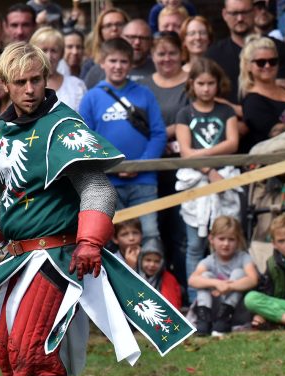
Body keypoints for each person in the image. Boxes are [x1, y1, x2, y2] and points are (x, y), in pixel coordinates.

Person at [0, 42, 193, 376]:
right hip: (18, 256)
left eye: (36, 79)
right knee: (13, 352)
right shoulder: (1, 132)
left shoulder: (61, 125)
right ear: (4, 85)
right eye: (19, 82)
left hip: (57, 257)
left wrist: (89, 240)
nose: (29, 89)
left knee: (33, 350)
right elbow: (1, 201)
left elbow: (98, 189)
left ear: (46, 78)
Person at [79, 38, 168, 245]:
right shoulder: (91, 97)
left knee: (150, 235)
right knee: (107, 238)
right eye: (113, 61)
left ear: (130, 64)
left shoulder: (144, 94)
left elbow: (158, 134)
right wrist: (111, 164)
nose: (118, 66)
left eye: (123, 61)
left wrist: (141, 164)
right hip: (106, 181)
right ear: (102, 62)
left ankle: (148, 278)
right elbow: (85, 138)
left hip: (143, 180)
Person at [175, 58, 241, 302]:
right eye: (201, 83)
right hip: (198, 184)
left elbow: (232, 144)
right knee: (195, 244)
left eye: (210, 83)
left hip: (225, 181)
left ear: (218, 84)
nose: (206, 88)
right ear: (192, 84)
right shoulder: (185, 113)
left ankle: (229, 298)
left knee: (228, 240)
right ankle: (196, 299)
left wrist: (199, 155)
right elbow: (184, 152)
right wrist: (210, 170)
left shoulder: (226, 111)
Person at [189, 216, 259, 335]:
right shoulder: (209, 261)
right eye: (221, 239)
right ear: (211, 239)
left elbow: (253, 279)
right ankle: (204, 320)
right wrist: (217, 283)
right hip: (214, 307)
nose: (226, 244)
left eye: (231, 239)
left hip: (236, 310)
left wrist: (230, 287)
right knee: (205, 276)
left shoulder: (243, 258)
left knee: (239, 273)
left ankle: (225, 318)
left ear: (238, 241)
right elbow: (192, 280)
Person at [239, 37, 285, 152]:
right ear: (248, 66)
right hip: (276, 161)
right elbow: (275, 131)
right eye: (261, 62)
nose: (267, 66)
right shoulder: (252, 101)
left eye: (273, 61)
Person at [84, 19, 157, 89]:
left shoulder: (158, 68)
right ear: (122, 37)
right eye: (132, 37)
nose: (137, 42)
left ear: (151, 41)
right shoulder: (98, 71)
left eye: (143, 38)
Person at [30, 27, 87, 112]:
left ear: (61, 54)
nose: (49, 56)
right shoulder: (26, 86)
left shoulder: (77, 86)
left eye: (54, 50)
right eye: (44, 50)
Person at [80, 8, 128, 83]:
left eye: (119, 24)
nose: (114, 28)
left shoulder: (140, 60)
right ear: (100, 31)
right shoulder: (90, 65)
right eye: (108, 25)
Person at [137, 237, 183, 308]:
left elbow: (172, 306)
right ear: (140, 260)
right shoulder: (133, 274)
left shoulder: (169, 279)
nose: (152, 264)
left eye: (157, 261)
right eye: (148, 260)